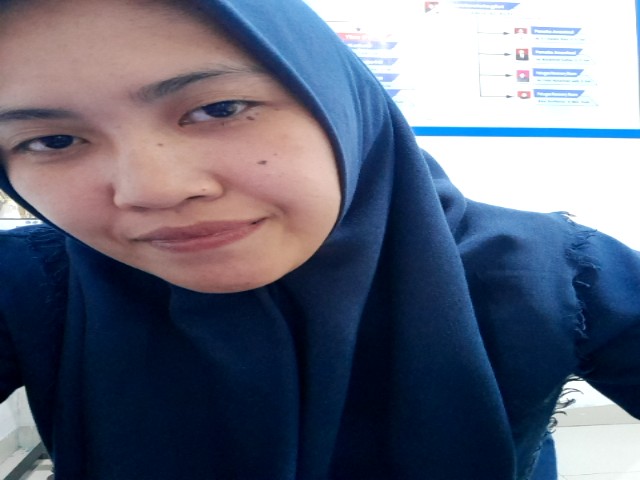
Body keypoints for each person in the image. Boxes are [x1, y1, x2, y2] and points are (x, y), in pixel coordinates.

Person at [0, 0, 638, 479]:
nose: (154, 190)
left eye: (220, 108)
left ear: (337, 103)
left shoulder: (552, 270)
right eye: (52, 141)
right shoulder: (30, 286)